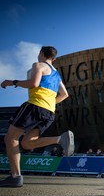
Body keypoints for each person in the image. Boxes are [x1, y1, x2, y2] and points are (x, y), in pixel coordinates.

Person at [0, 46, 74, 188]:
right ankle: (59, 139)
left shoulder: (38, 65)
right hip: (49, 112)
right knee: (27, 143)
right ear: (54, 58)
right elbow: (64, 94)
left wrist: (12, 82)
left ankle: (15, 177)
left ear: (41, 54)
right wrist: (49, 103)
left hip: (34, 106)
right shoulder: (56, 74)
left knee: (10, 138)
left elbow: (33, 83)